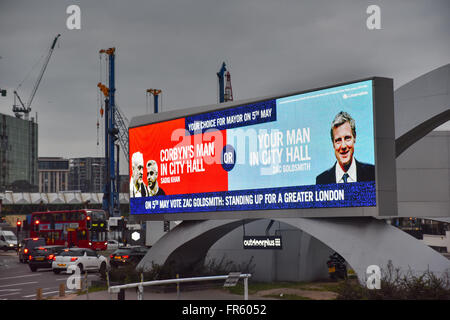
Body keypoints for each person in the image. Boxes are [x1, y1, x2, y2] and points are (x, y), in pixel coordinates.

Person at [316, 111, 375, 184]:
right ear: (333, 144)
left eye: (347, 138)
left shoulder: (372, 173)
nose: (343, 146)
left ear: (354, 138)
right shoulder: (322, 180)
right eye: (338, 140)